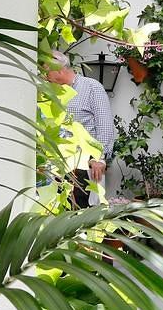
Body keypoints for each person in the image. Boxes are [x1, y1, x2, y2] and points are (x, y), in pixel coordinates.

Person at [46, 50, 116, 208]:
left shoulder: (91, 87)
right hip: (58, 167)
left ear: (59, 69)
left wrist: (100, 158)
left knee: (82, 213)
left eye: (46, 71)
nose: (44, 76)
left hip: (85, 165)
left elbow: (104, 124)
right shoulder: (52, 93)